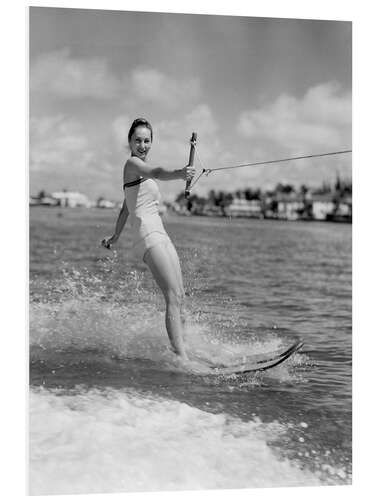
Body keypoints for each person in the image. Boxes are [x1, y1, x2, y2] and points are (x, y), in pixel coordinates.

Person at [102, 118, 195, 361]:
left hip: (160, 232)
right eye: (138, 140)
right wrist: (179, 173)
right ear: (130, 142)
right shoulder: (132, 164)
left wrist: (115, 235)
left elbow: (125, 208)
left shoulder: (137, 174)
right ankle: (181, 358)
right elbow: (157, 172)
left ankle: (184, 349)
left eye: (147, 140)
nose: (142, 145)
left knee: (181, 295)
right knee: (172, 297)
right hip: (146, 234)